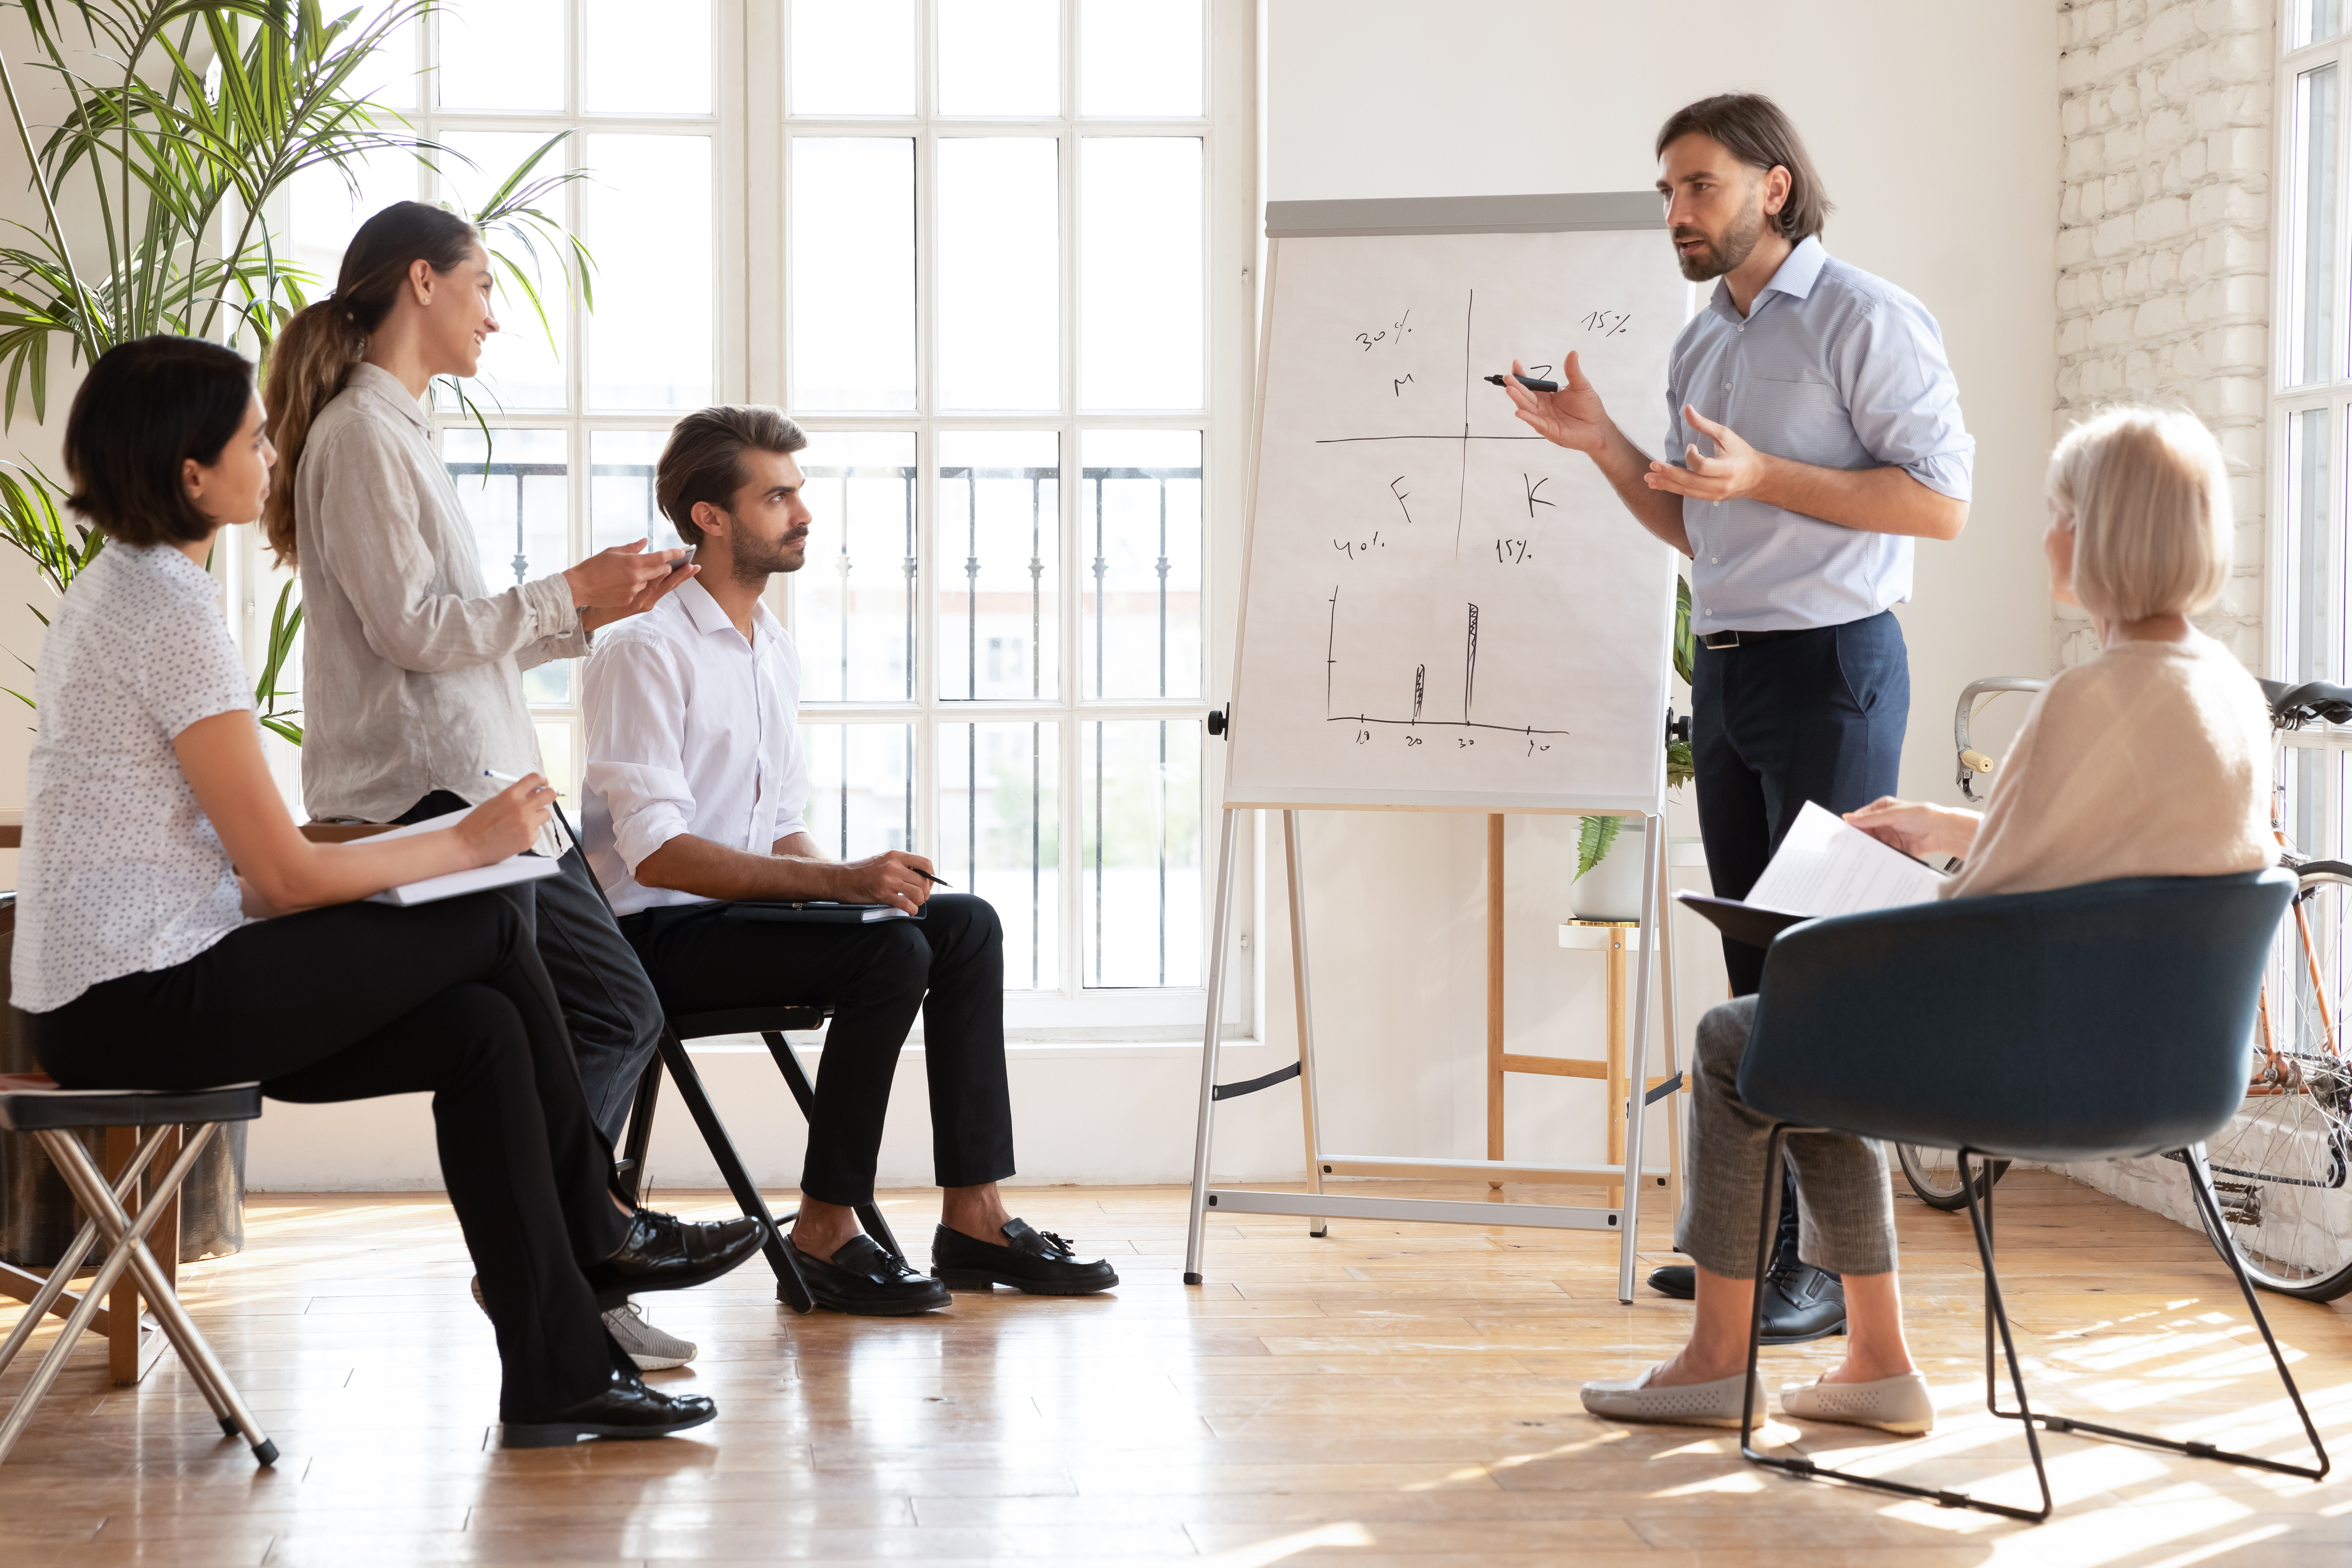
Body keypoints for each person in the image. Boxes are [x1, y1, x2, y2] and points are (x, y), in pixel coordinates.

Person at [14, 336, 767, 1446]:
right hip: (141, 1004)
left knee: (480, 1031)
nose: (273, 456)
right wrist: (465, 843)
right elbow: (279, 877)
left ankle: (558, 1373)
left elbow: (249, 867)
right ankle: (597, 1221)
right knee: (500, 906)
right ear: (190, 473)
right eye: (254, 439)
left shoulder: (124, 592)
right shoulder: (166, 612)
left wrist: (437, 850)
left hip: (132, 988)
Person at [1580, 407, 2271, 1431]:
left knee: (1750, 1038)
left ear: (2101, 534)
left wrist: (1866, 913)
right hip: (2160, 1066)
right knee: (1812, 1038)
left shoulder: (2085, 697)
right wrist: (1948, 826)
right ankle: (1874, 1361)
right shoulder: (2225, 691)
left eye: (2058, 514)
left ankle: (1720, 1358)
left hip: (2036, 1064)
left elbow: (1985, 914)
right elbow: (2117, 853)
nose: (2045, 535)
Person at [1499, 93, 1974, 1339]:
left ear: (1773, 186)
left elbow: (1941, 505)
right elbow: (1692, 522)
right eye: (1665, 191)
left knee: (1821, 971)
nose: (1675, 213)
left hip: (1835, 668)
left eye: (1697, 185)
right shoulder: (1702, 340)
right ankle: (1754, 1254)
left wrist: (1769, 474)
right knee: (1751, 971)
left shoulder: (1868, 317)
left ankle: (1820, 1269)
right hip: (1731, 671)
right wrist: (1603, 440)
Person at [262, 201, 696, 1367]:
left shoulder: (399, 432)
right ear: (422, 282)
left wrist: (590, 611)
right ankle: (570, 1261)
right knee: (611, 1009)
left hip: (473, 782)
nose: (496, 316)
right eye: (486, 287)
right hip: (431, 802)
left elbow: (452, 644)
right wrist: (563, 590)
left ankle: (563, 1272)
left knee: (590, 1017)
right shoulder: (361, 434)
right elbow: (412, 632)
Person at [579, 406, 1119, 1315]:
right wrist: (843, 891)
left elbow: (780, 822)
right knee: (886, 947)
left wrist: (856, 894)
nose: (803, 512)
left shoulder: (769, 648)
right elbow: (661, 852)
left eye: (799, 492)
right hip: (655, 936)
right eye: (777, 495)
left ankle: (974, 1215)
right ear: (710, 517)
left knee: (960, 924)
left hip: (738, 919)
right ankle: (825, 1227)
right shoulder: (644, 648)